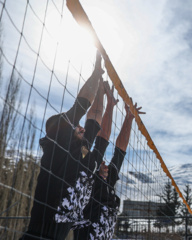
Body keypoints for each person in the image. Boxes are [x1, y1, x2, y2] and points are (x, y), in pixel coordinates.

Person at [21, 51, 109, 240]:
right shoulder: (57, 146)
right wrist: (95, 74)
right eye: (74, 125)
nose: (80, 126)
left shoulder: (84, 152)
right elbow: (82, 105)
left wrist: (101, 86)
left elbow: (94, 116)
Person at [72, 87, 145, 240]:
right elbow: (120, 151)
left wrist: (103, 93)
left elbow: (95, 132)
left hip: (91, 201)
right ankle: (109, 100)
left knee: (98, 141)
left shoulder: (82, 156)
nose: (80, 130)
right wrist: (130, 118)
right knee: (110, 151)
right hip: (104, 207)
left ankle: (104, 94)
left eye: (79, 130)